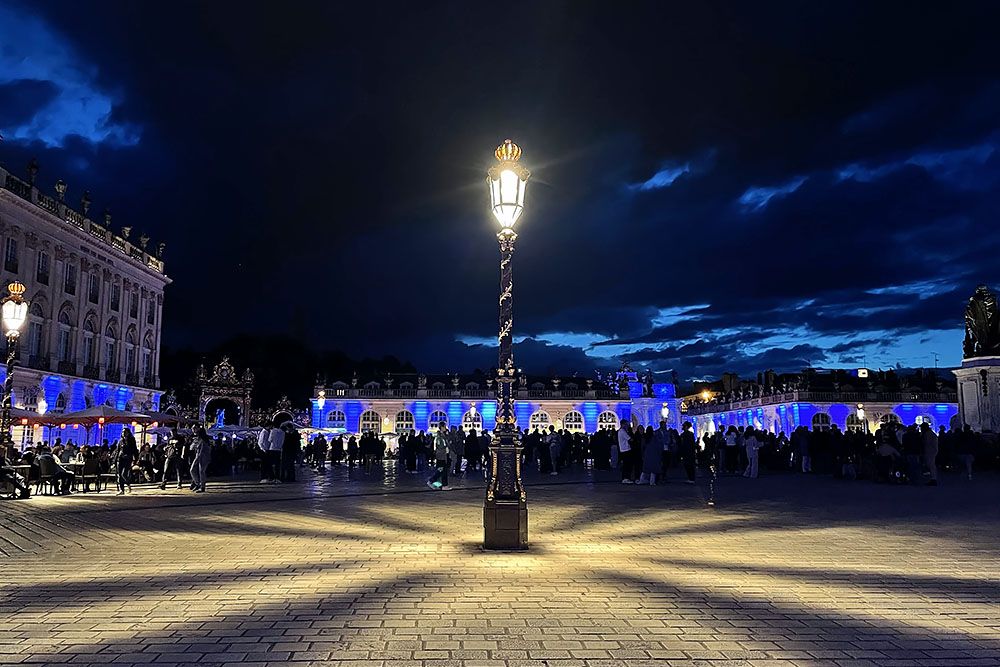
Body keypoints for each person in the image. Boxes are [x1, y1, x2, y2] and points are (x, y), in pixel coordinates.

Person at [113, 428, 139, 495]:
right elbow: (117, 451)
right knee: (120, 475)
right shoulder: (120, 441)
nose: (124, 433)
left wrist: (135, 459)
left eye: (125, 432)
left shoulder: (131, 441)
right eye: (123, 432)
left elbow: (134, 450)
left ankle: (128, 484)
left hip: (127, 459)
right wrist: (114, 461)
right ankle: (122, 490)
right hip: (120, 459)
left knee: (124, 474)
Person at [427, 423, 450, 490]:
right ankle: (432, 481)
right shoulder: (440, 436)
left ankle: (441, 485)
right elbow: (440, 445)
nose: (446, 428)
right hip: (441, 456)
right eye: (445, 426)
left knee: (441, 471)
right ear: (442, 427)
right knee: (441, 471)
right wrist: (446, 445)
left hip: (442, 455)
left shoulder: (443, 435)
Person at [189, 426, 211, 492]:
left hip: (203, 456)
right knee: (194, 470)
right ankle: (198, 484)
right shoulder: (198, 439)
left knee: (201, 471)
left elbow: (201, 449)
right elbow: (192, 447)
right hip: (199, 455)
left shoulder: (203, 439)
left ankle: (201, 486)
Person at [920, 422, 939, 486]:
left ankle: (933, 479)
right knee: (931, 465)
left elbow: (926, 443)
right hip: (932, 451)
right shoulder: (931, 433)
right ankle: (933, 478)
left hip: (930, 451)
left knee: (931, 465)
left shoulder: (928, 434)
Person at [268, 418, 285, 483]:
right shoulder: (283, 433)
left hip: (272, 449)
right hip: (279, 450)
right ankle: (278, 478)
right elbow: (283, 442)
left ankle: (272, 477)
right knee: (278, 465)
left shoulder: (273, 431)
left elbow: (270, 440)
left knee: (271, 464)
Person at [617, 419, 634, 484]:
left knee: (626, 465)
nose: (628, 425)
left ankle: (625, 478)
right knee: (627, 465)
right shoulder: (622, 431)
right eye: (627, 424)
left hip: (623, 450)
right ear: (623, 424)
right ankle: (626, 478)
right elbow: (630, 439)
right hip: (626, 450)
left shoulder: (620, 431)